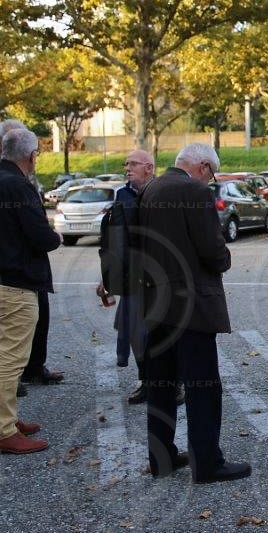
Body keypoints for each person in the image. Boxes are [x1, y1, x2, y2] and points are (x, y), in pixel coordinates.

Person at [137, 143, 250, 483]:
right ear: (202, 166)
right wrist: (225, 259)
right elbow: (212, 249)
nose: (210, 180)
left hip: (157, 304)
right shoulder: (195, 192)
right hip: (192, 307)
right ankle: (207, 462)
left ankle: (162, 458)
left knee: (161, 385)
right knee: (203, 386)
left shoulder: (150, 189)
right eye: (211, 174)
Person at [0, 127, 61, 455]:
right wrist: (56, 236)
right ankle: (2, 431)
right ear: (32, 156)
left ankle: (4, 419)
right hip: (15, 285)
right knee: (11, 359)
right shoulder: (19, 186)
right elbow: (41, 236)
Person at [96, 149, 158, 404]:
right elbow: (116, 241)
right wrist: (108, 279)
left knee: (159, 333)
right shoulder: (122, 195)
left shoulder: (162, 194)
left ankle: (171, 385)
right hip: (132, 279)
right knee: (134, 332)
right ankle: (147, 381)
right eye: (126, 164)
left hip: (158, 279)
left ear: (149, 168)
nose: (127, 168)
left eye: (133, 164)